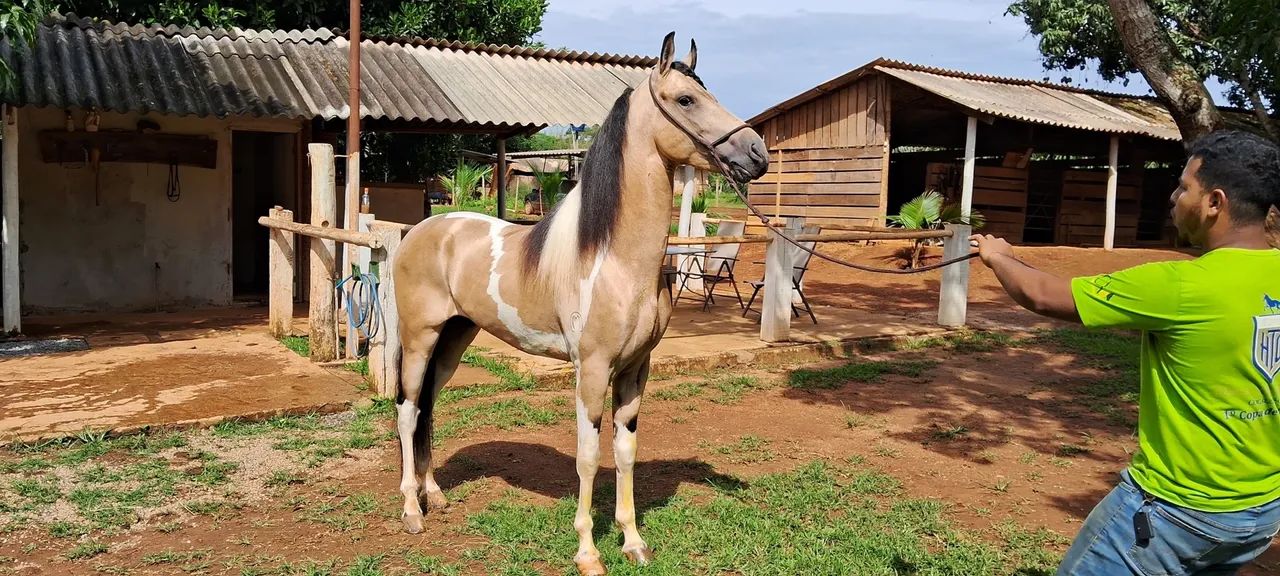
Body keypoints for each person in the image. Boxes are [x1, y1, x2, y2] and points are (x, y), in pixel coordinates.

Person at [970, 129, 1280, 575]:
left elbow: (1043, 295)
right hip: (1255, 516)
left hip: (1174, 512)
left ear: (1215, 202)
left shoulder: (1181, 284)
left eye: (1183, 187)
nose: (1173, 198)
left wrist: (999, 256)